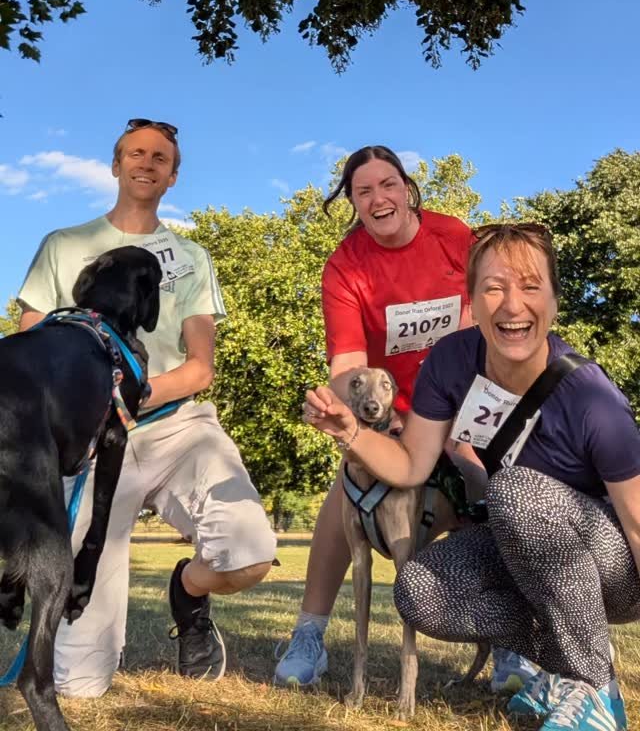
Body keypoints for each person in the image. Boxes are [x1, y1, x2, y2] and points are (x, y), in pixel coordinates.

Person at [303, 222, 640, 731]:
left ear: (554, 301)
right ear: (472, 301)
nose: (512, 305)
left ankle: (594, 688)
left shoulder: (592, 397)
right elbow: (411, 466)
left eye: (531, 286)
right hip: (523, 549)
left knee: (515, 490)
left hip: (611, 568)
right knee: (419, 589)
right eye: (494, 287)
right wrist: (350, 432)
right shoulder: (452, 361)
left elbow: (636, 522)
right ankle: (555, 667)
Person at [17, 118, 277, 698]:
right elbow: (32, 347)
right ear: (115, 165)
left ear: (173, 176)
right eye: (135, 153)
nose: (147, 163)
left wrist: (125, 393)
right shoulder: (63, 245)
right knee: (78, 686)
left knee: (249, 553)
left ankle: (189, 590)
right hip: (90, 443)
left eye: (161, 158)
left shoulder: (190, 257)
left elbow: (200, 367)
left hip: (177, 427)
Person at [274, 146, 533, 694]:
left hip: (461, 399)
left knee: (487, 487)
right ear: (351, 201)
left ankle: (512, 642)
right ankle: (309, 635)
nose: (378, 198)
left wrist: (460, 418)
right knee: (347, 493)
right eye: (363, 190)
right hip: (392, 412)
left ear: (406, 188)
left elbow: (484, 321)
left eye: (387, 184)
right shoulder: (346, 265)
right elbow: (347, 365)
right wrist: (358, 414)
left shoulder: (452, 237)